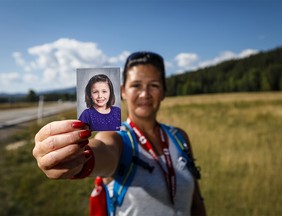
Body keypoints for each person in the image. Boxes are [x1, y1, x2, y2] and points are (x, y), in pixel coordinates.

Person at [33, 51, 206, 215]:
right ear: (122, 91)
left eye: (154, 85)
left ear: (163, 92)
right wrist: (75, 157)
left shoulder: (179, 137)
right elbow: (103, 149)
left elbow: (196, 201)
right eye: (136, 85)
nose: (145, 94)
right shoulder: (116, 138)